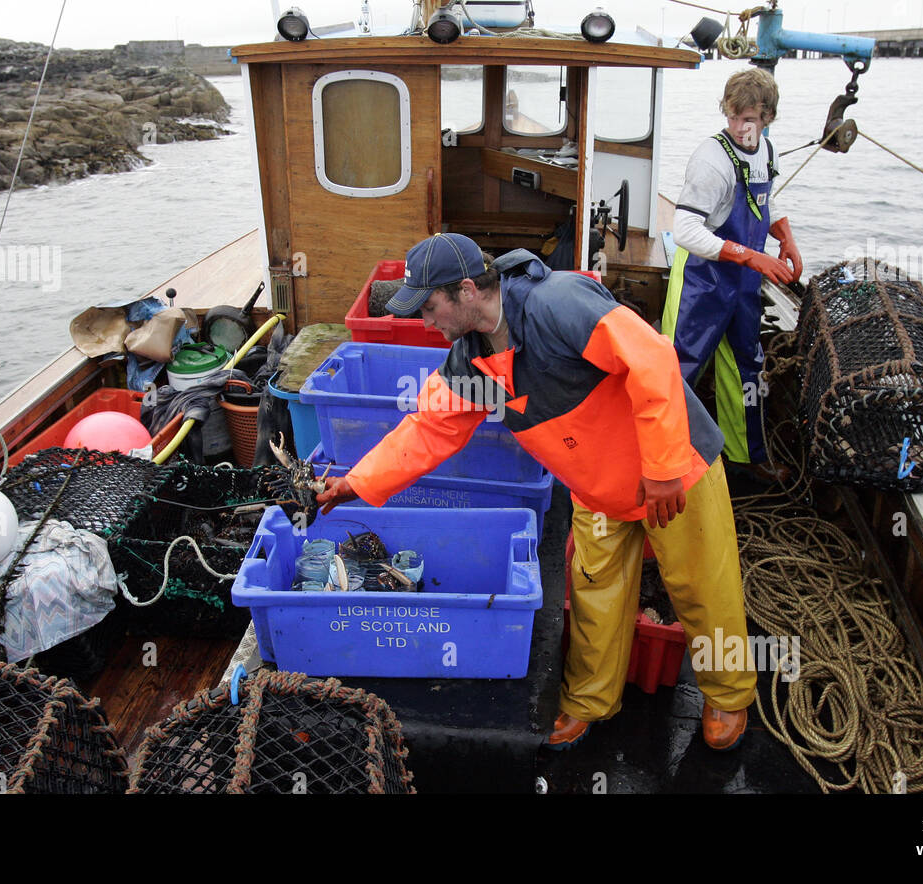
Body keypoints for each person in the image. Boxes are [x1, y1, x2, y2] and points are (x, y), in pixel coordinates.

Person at [317, 232, 756, 751]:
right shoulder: (471, 362)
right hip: (598, 491)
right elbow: (427, 430)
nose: (425, 322)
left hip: (674, 471)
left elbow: (653, 360)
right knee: (595, 598)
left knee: (704, 587)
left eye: (430, 307)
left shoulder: (559, 303)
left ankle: (728, 693)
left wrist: (662, 468)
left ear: (465, 290)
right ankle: (590, 700)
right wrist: (354, 483)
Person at [664, 68, 802, 483]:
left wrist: (786, 237)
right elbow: (686, 230)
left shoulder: (768, 151)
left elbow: (766, 203)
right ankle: (663, 462)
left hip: (742, 283)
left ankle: (745, 458)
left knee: (748, 367)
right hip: (701, 282)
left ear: (768, 118)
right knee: (679, 367)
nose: (743, 126)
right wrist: (751, 257)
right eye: (735, 116)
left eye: (752, 119)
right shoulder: (711, 159)